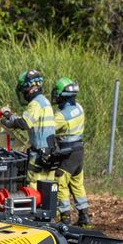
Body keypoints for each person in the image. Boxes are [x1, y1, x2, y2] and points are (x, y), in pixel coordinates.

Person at [0, 69, 57, 196]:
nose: (24, 92)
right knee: (48, 185)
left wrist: (7, 122)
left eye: (24, 89)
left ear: (31, 87)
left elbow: (24, 123)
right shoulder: (44, 101)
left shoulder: (35, 103)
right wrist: (11, 116)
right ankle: (48, 214)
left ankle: (35, 212)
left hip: (39, 154)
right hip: (49, 151)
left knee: (33, 183)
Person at [51, 77, 90, 226]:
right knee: (77, 183)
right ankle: (84, 215)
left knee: (60, 181)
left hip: (68, 153)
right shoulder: (79, 108)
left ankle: (65, 216)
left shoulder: (61, 116)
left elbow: (48, 128)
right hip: (79, 151)